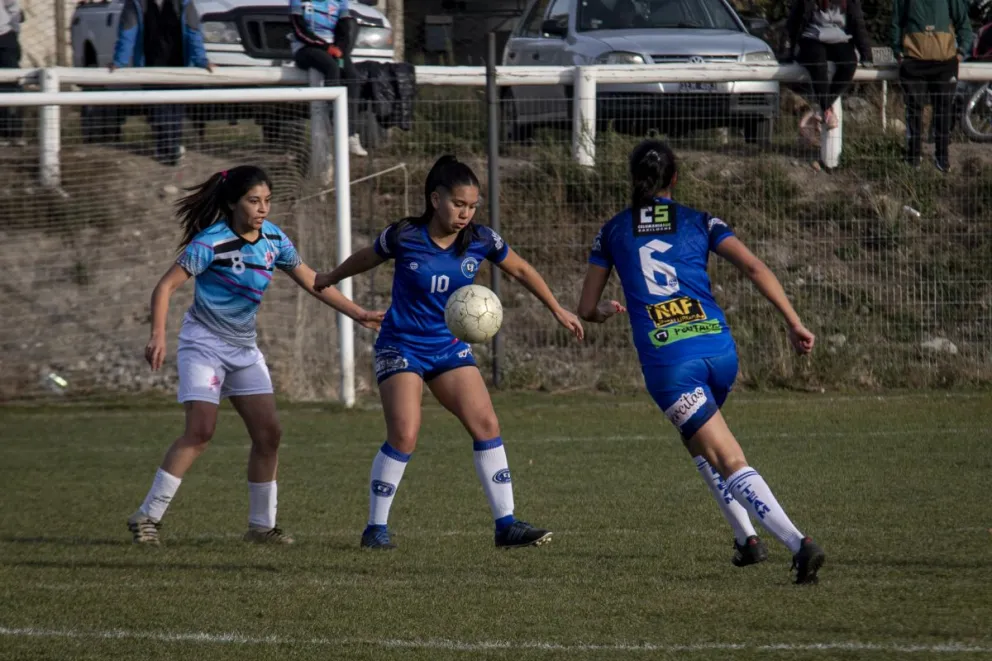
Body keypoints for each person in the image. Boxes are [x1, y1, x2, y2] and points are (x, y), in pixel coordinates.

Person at [577, 140, 826, 584]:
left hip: (670, 362)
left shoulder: (613, 231)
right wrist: (793, 322)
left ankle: (798, 544)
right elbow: (753, 267)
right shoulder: (700, 220)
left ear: (634, 181)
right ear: (675, 178)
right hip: (718, 350)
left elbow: (586, 306)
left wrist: (603, 313)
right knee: (697, 440)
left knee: (727, 457)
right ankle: (746, 540)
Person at [313, 155, 585, 550]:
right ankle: (375, 528)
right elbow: (367, 257)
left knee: (487, 426)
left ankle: (506, 525)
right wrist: (330, 277)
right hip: (401, 344)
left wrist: (557, 308)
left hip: (447, 347)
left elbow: (522, 270)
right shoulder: (404, 235)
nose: (466, 213)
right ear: (435, 198)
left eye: (473, 206)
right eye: (459, 204)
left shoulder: (480, 240)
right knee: (405, 435)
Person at [127, 165, 384, 546]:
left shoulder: (275, 240)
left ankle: (261, 527)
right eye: (253, 201)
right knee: (201, 431)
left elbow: (314, 281)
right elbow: (165, 286)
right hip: (204, 344)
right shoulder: (209, 243)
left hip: (244, 349)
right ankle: (147, 516)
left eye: (267, 200)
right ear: (232, 203)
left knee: (269, 434)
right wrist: (158, 335)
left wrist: (358, 312)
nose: (262, 208)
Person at [110, 0, 213, 166]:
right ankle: (167, 148)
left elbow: (193, 32)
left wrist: (202, 60)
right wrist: (119, 61)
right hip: (150, 67)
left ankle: (171, 149)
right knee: (158, 112)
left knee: (175, 111)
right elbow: (128, 32)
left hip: (178, 67)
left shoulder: (184, 4)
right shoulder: (136, 4)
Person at [891, 0, 973, 171]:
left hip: (944, 62)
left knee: (943, 111)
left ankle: (942, 159)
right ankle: (914, 158)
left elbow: (963, 22)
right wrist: (898, 52)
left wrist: (961, 51)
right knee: (914, 109)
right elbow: (896, 22)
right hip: (914, 61)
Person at [290, 0, 366, 157]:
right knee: (331, 67)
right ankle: (334, 124)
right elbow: (299, 29)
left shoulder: (340, 2)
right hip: (306, 48)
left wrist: (340, 49)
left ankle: (350, 133)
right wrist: (326, 47)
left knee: (352, 75)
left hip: (333, 48)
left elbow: (345, 28)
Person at [787, 0, 873, 139]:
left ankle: (818, 109)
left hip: (840, 37)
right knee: (818, 63)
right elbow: (793, 22)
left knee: (849, 63)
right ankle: (826, 110)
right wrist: (789, 51)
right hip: (812, 36)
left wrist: (866, 54)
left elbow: (858, 23)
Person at [0, 0, 22, 145]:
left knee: (11, 85)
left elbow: (13, 8)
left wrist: (13, 31)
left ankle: (14, 133)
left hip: (4, 38)